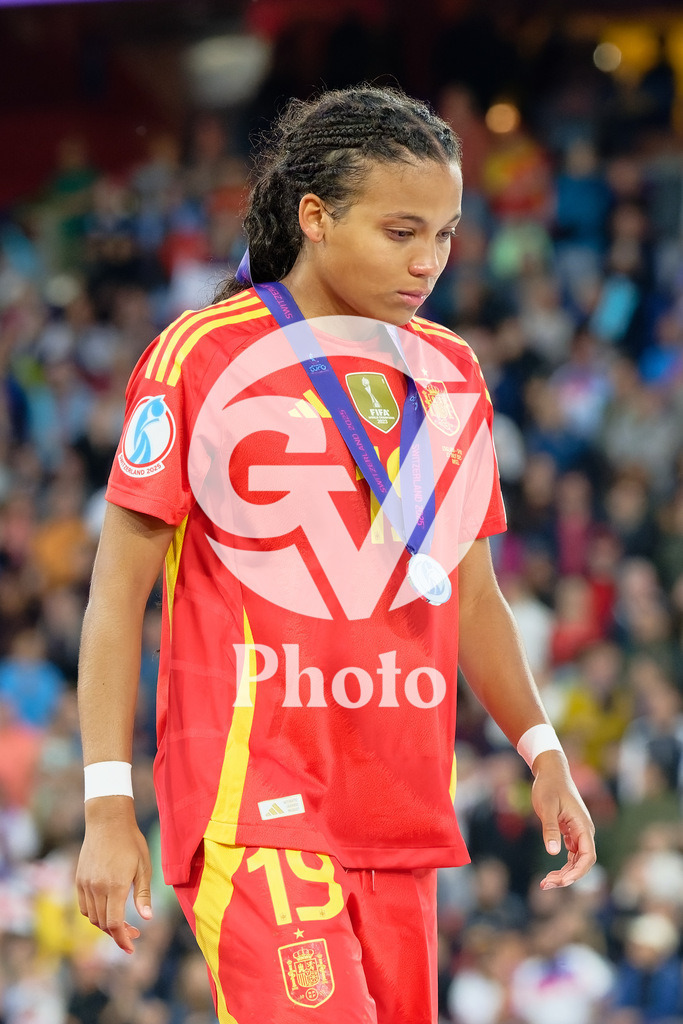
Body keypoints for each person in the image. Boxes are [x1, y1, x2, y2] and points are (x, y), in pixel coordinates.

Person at [76, 86, 596, 1024]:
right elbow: (117, 593)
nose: (428, 262)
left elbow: (473, 595)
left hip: (398, 805)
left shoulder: (451, 372)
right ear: (314, 217)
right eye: (401, 232)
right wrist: (108, 803)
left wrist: (541, 747)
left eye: (443, 234)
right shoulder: (201, 355)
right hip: (250, 798)